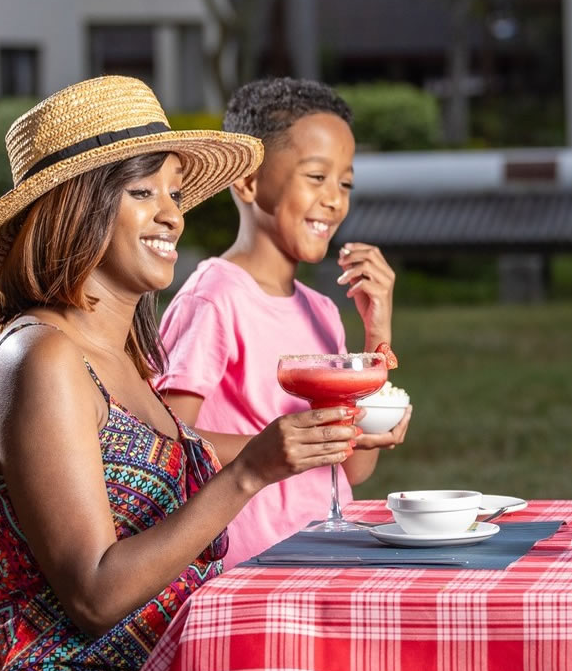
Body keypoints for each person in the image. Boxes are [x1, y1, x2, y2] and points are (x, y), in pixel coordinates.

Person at [0, 77, 361, 671]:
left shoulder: (121, 359)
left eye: (175, 195)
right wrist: (249, 474)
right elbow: (93, 591)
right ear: (79, 206)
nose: (174, 216)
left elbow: (174, 453)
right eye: (145, 194)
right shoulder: (43, 360)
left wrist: (305, 444)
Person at [156, 77, 409, 568]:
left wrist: (379, 330)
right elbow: (164, 443)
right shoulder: (216, 297)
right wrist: (271, 447)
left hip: (322, 560)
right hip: (245, 570)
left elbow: (353, 468)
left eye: (346, 183)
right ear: (249, 182)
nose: (335, 199)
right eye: (316, 177)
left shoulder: (323, 313)